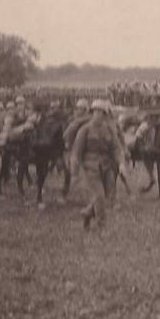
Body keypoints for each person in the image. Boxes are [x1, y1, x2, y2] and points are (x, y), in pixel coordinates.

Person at [73, 99, 119, 230]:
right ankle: (101, 226)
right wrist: (75, 172)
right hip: (90, 167)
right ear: (92, 113)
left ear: (105, 115)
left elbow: (116, 147)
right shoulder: (84, 130)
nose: (98, 115)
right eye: (96, 112)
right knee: (99, 196)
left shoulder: (109, 129)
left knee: (109, 198)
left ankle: (87, 212)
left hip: (107, 167)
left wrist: (120, 163)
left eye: (101, 113)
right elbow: (77, 152)